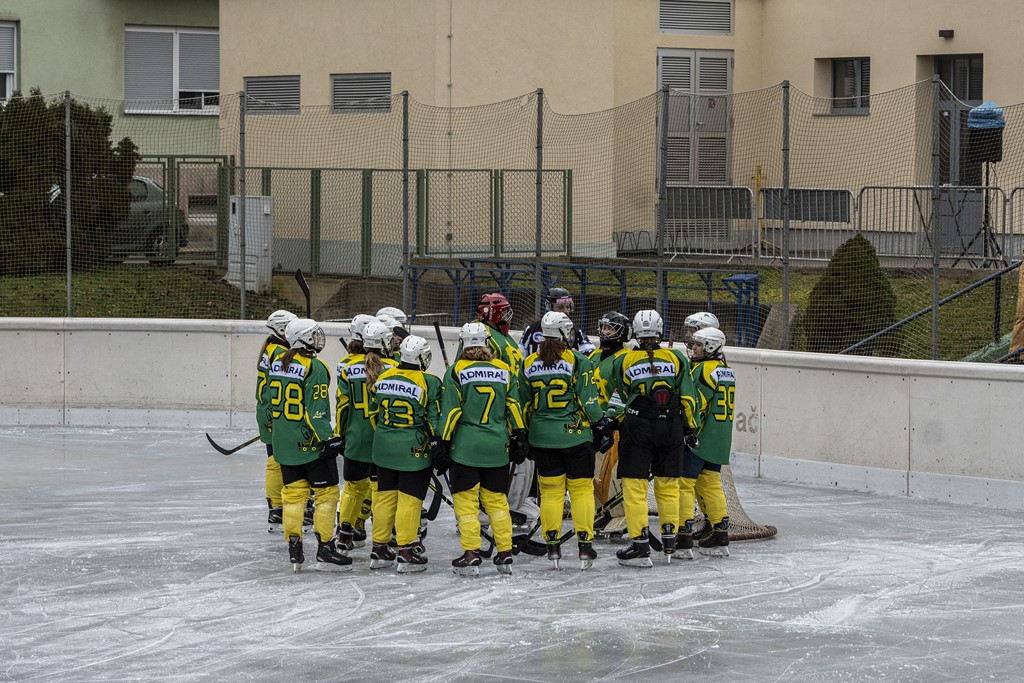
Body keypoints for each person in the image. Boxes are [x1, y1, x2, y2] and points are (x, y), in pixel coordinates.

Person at [608, 309, 701, 568]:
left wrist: (614, 422)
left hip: (638, 427)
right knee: (669, 485)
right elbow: (689, 397)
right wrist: (689, 428)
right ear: (660, 330)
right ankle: (672, 543)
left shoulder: (623, 360)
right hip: (671, 427)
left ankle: (640, 546)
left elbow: (617, 395)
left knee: (635, 488)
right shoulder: (677, 358)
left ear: (635, 332)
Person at [437, 321, 528, 576]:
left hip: (466, 447)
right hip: (497, 447)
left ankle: (471, 553)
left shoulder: (456, 371)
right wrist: (520, 434)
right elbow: (513, 405)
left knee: (466, 503)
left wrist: (442, 441)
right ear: (487, 343)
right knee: (497, 502)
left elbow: (452, 411)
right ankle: (505, 552)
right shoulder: (503, 369)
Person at [521, 311, 608, 570]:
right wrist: (601, 425)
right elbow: (589, 399)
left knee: (550, 492)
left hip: (542, 437)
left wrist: (524, 432)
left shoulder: (527, 364)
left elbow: (524, 403)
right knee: (581, 490)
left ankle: (552, 546)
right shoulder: (578, 360)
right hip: (576, 436)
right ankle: (584, 546)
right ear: (564, 333)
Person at [268, 318, 350, 572]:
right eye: (313, 336)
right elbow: (315, 412)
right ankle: (325, 547)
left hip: (283, 443)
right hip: (310, 443)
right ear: (303, 339)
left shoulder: (276, 363)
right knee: (326, 494)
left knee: (292, 496)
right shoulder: (314, 367)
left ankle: (294, 547)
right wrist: (329, 438)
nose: (318, 340)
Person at [369, 335, 443, 573]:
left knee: (385, 498)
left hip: (383, 446)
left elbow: (373, 414)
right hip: (412, 449)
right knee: (410, 501)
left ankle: (379, 548)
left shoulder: (383, 376)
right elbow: (433, 419)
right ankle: (407, 549)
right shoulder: (428, 381)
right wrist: (438, 443)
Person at [333, 318, 396, 560]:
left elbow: (342, 407)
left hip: (355, 438)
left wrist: (341, 435)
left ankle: (344, 535)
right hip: (383, 439)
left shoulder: (348, 367)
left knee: (352, 488)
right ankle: (381, 543)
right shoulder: (393, 368)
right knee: (381, 492)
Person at [680, 327, 734, 557]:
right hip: (720, 438)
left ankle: (682, 533)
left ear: (711, 346)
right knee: (711, 483)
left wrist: (685, 429)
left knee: (684, 483)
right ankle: (720, 532)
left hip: (701, 437)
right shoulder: (727, 370)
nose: (693, 347)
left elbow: (695, 405)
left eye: (698, 344)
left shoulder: (703, 370)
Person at [587, 311, 632, 516]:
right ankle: (599, 511)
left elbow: (624, 393)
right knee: (593, 473)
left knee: (610, 474)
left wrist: (612, 419)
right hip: (592, 423)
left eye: (611, 328)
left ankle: (616, 515)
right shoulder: (593, 356)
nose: (605, 332)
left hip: (613, 426)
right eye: (604, 327)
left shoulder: (625, 359)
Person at [256, 309, 296, 532]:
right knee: (276, 460)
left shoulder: (271, 348)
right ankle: (278, 508)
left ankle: (276, 508)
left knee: (274, 459)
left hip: (266, 410)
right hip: (274, 411)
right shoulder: (280, 352)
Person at [519, 287, 596, 357]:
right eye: (560, 307)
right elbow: (519, 356)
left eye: (568, 307)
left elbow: (591, 354)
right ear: (549, 306)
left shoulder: (576, 332)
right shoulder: (531, 330)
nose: (565, 311)